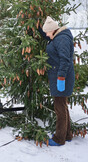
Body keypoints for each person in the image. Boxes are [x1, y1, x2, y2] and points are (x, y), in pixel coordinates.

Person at [39, 16, 75, 146]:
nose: (47, 35)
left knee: (59, 108)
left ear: (53, 30)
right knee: (63, 106)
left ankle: (59, 139)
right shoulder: (57, 36)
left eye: (47, 32)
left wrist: (61, 78)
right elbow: (48, 37)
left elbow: (65, 60)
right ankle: (67, 135)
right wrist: (39, 28)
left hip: (62, 77)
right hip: (59, 76)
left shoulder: (62, 39)